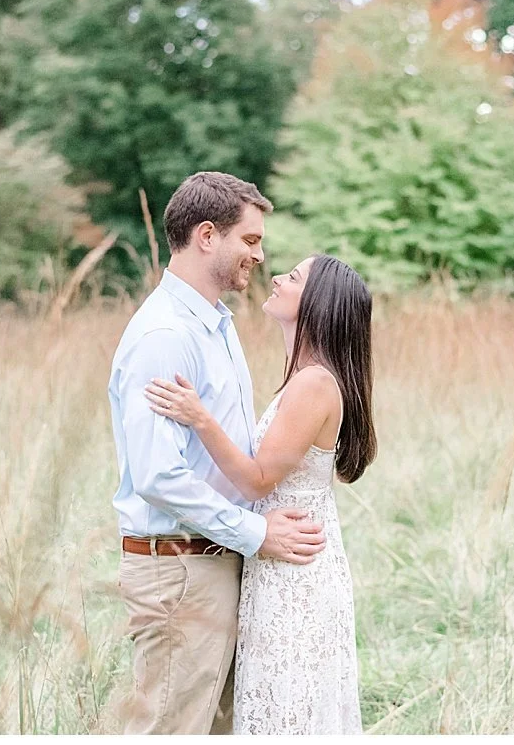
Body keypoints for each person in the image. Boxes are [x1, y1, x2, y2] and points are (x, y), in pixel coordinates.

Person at [108, 172, 327, 734]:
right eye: (249, 240)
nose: (260, 255)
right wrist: (256, 532)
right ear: (207, 236)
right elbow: (159, 476)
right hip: (180, 571)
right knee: (170, 731)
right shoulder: (165, 336)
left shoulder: (215, 325)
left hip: (217, 560)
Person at [145, 253, 378, 734]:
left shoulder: (314, 384)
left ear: (317, 303)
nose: (276, 277)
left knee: (288, 709)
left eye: (293, 277)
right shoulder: (306, 378)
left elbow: (257, 479)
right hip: (279, 559)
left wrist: (200, 417)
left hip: (294, 572)